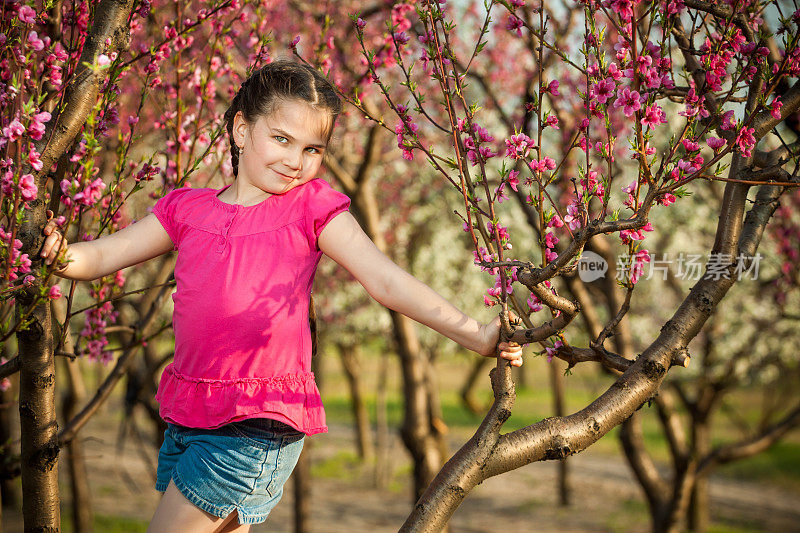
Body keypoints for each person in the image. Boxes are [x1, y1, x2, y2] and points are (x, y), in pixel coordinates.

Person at [41, 60, 523, 533]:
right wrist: (60, 253)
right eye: (282, 139)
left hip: (256, 419)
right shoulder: (185, 209)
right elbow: (105, 255)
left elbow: (386, 281)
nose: (295, 161)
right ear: (240, 130)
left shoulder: (311, 208)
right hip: (190, 413)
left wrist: (476, 333)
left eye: (313, 148)